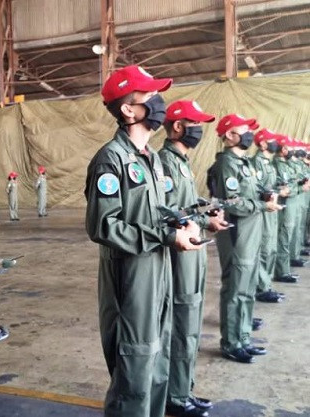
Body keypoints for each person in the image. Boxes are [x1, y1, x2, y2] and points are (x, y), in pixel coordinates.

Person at [85, 65, 202, 417]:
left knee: (159, 355)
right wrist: (165, 235)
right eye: (149, 96)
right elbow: (103, 226)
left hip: (158, 267)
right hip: (130, 275)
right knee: (134, 364)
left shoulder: (151, 159)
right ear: (128, 109)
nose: (158, 102)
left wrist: (183, 221)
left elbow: (153, 210)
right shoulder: (111, 160)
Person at [159, 100, 230, 417]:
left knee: (190, 324)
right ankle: (175, 396)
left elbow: (184, 208)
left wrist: (204, 216)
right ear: (177, 126)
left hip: (194, 250)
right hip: (180, 254)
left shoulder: (182, 162)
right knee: (181, 324)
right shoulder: (165, 162)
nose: (198, 130)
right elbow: (167, 215)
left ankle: (184, 389)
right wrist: (199, 221)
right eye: (193, 123)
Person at [207, 114, 282, 364]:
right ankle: (231, 342)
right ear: (229, 135)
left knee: (248, 289)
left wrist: (266, 198)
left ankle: (243, 337)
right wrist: (262, 205)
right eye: (243, 130)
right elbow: (233, 204)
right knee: (236, 288)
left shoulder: (245, 163)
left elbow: (252, 192)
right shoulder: (226, 164)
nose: (249, 135)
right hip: (237, 234)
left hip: (252, 232)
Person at [251, 129, 287, 302]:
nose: (275, 144)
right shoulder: (256, 163)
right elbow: (255, 189)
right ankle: (261, 288)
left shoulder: (268, 163)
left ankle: (267, 284)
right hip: (263, 211)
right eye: (271, 140)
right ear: (263, 143)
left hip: (271, 209)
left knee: (271, 248)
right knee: (264, 249)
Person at [273, 136, 301, 283]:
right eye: (289, 147)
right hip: (284, 205)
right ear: (283, 149)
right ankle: (281, 271)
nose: (292, 151)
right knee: (283, 237)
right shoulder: (278, 165)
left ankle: (284, 270)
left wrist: (295, 187)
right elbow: (285, 187)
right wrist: (298, 188)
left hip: (290, 204)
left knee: (286, 236)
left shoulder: (286, 164)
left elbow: (293, 183)